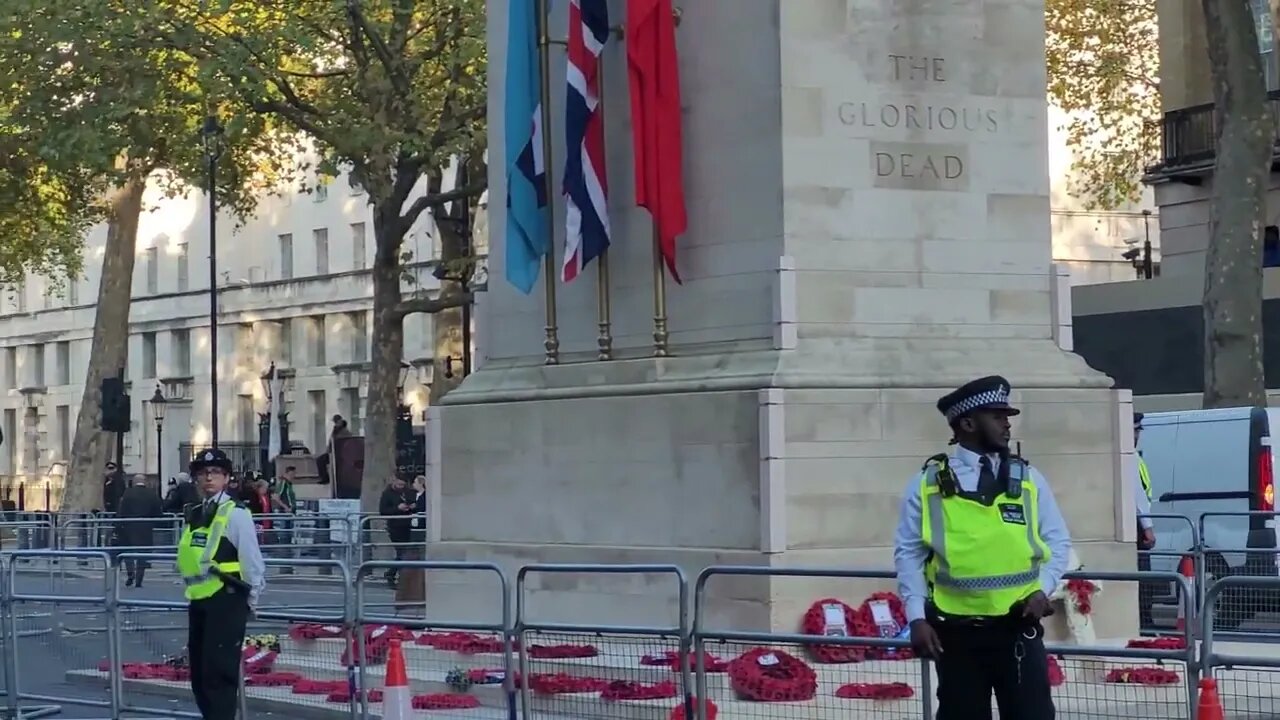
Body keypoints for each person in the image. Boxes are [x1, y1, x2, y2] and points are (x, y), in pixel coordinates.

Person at [893, 376, 1071, 720]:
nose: (1007, 424)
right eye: (997, 416)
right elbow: (909, 555)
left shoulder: (1029, 479)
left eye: (1008, 416)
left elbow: (1058, 542)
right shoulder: (927, 485)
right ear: (968, 423)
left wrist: (1042, 589)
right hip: (956, 635)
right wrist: (916, 618)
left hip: (1018, 629)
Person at [177, 448, 266, 720]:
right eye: (203, 474)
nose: (208, 478)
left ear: (227, 478)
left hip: (227, 598)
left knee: (219, 676)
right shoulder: (196, 512)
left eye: (215, 473)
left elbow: (251, 559)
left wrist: (252, 597)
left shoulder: (235, 513)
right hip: (200, 599)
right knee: (201, 677)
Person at [116, 474, 164, 587]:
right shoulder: (151, 494)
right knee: (142, 554)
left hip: (129, 525)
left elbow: (121, 509)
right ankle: (139, 579)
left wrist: (119, 523)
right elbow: (158, 510)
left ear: (134, 482)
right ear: (145, 482)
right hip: (145, 526)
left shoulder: (128, 493)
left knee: (128, 551)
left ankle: (130, 573)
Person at [1133, 412, 1157, 628]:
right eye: (1136, 430)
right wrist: (1148, 527)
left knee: (1144, 578)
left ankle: (1145, 620)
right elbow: (1138, 495)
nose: (1138, 435)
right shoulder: (1129, 457)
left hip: (1135, 523)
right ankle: (1145, 622)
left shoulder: (1133, 456)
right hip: (1136, 526)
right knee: (1143, 577)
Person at [395, 475, 429, 614]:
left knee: (412, 562)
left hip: (419, 531)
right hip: (412, 529)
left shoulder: (424, 496)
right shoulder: (413, 495)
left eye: (415, 482)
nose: (412, 484)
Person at [378, 476, 413, 588]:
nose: (401, 487)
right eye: (399, 485)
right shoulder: (387, 494)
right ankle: (391, 574)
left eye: (403, 485)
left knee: (404, 553)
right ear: (394, 482)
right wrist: (397, 508)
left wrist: (411, 507)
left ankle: (393, 574)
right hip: (395, 527)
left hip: (407, 525)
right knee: (401, 552)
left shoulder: (408, 492)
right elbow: (383, 511)